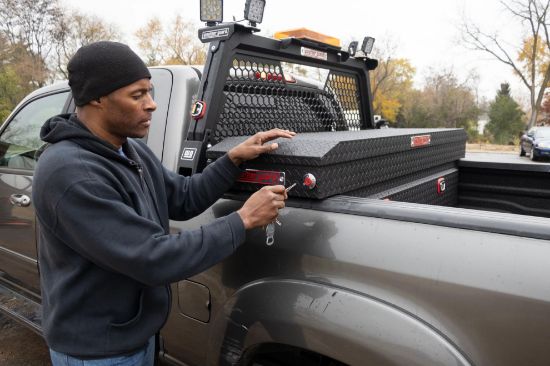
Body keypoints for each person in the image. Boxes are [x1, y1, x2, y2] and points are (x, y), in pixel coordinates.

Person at [32, 41, 295, 366]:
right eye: (137, 95)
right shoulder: (70, 173)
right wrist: (241, 220)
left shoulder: (129, 150)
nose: (152, 105)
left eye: (150, 92)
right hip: (97, 351)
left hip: (136, 334)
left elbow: (183, 198)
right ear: (97, 98)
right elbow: (153, 258)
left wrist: (232, 159)